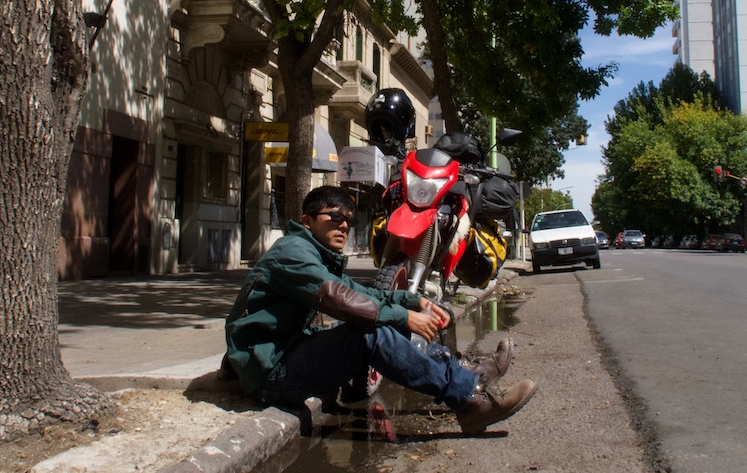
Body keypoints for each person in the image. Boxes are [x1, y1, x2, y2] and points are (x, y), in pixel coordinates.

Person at [224, 185, 536, 435]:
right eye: (334, 217)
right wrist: (405, 317)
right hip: (271, 374)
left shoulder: (317, 255)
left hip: (289, 353)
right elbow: (339, 299)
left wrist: (413, 302)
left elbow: (362, 293)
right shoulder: (293, 253)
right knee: (369, 334)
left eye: (349, 220)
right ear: (307, 221)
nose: (344, 225)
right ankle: (469, 401)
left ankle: (468, 376)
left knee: (383, 320)